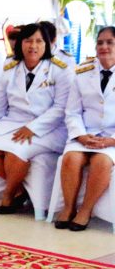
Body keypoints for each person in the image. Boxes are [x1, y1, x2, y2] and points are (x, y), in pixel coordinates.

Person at [0, 23, 71, 214]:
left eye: (39, 41)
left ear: (47, 44)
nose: (33, 46)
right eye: (28, 41)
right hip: (13, 122)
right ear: (21, 43)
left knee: (16, 152)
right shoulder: (10, 67)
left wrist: (33, 128)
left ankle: (8, 196)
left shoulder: (59, 69)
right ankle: (21, 190)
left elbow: (61, 108)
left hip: (49, 127)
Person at [54, 26, 115, 231]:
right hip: (85, 133)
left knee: (101, 161)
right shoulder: (83, 72)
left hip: (112, 138)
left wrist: (111, 140)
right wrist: (80, 136)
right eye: (100, 42)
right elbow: (72, 111)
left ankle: (85, 210)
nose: (104, 47)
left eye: (110, 42)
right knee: (71, 159)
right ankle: (69, 208)